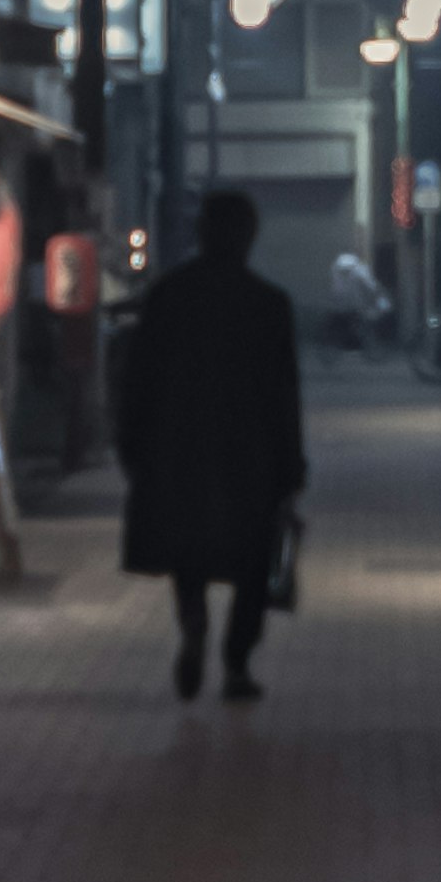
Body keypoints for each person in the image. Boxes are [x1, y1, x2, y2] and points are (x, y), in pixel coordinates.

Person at [117, 186, 308, 701]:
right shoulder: (269, 305)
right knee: (251, 560)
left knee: (189, 552)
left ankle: (194, 622)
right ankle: (237, 665)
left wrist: (131, 447)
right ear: (249, 237)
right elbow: (283, 394)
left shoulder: (168, 296)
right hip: (251, 456)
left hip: (178, 450)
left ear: (201, 233)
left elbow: (137, 379)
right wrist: (291, 469)